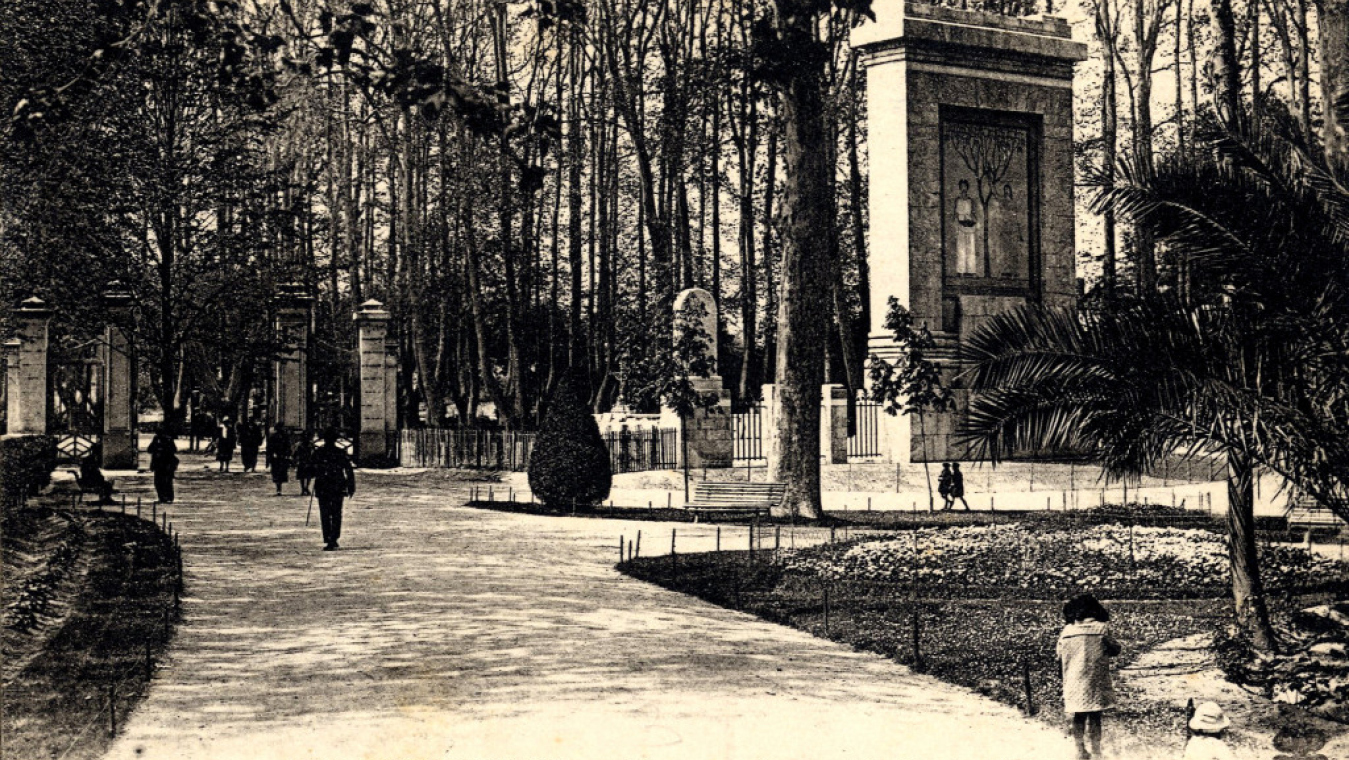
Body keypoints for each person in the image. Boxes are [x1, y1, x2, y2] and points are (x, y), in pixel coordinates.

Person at [1058, 594, 1121, 760]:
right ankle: (1096, 752)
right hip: (1094, 680)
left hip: (1073, 679)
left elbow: (1059, 654)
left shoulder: (1067, 631)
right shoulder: (1102, 628)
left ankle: (1080, 751)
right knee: (1095, 716)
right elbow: (1115, 649)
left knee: (1078, 716)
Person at [310, 428, 355, 551]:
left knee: (325, 513)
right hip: (337, 485)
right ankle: (333, 538)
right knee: (336, 513)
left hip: (324, 485)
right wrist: (351, 486)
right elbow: (349, 470)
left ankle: (329, 538)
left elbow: (310, 468)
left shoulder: (319, 452)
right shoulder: (340, 452)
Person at [147, 427, 178, 504]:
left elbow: (173, 450)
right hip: (159, 464)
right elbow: (149, 449)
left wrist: (162, 450)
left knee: (165, 481)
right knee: (160, 482)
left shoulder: (167, 439)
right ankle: (163, 498)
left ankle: (168, 497)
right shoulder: (157, 439)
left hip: (166, 463)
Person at [267, 424, 293, 496]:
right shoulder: (274, 437)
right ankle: (278, 488)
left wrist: (288, 454)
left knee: (279, 473)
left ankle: (279, 488)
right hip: (277, 457)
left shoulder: (284, 436)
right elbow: (270, 447)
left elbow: (288, 446)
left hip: (281, 457)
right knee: (277, 473)